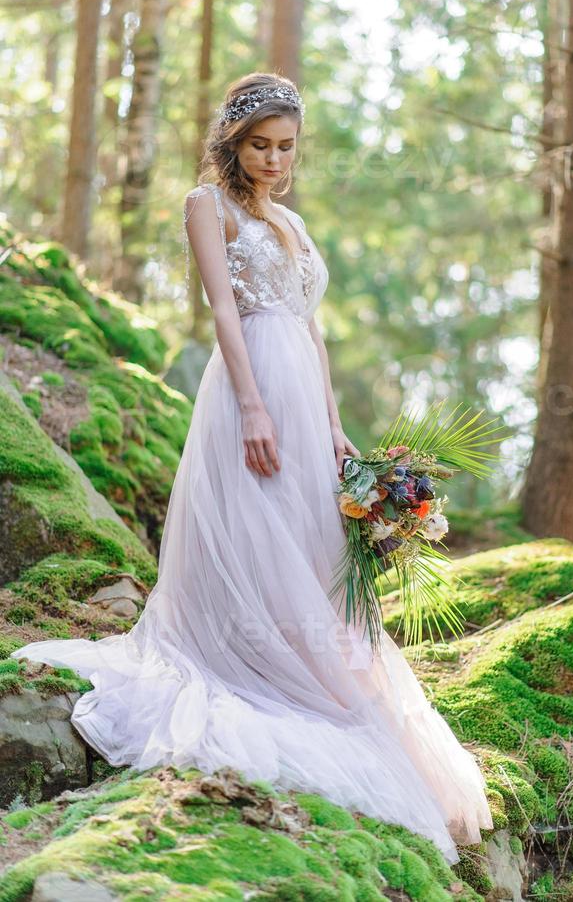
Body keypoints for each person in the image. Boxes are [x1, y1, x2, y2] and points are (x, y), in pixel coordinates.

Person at [12, 71, 493, 864]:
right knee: (256, 520)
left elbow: (315, 330)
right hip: (252, 383)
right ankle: (244, 654)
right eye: (260, 146)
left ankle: (310, 661)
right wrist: (253, 406)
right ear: (232, 143)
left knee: (309, 536)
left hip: (305, 393)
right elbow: (224, 309)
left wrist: (336, 428)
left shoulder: (294, 222)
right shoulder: (210, 206)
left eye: (287, 147)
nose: (274, 161)